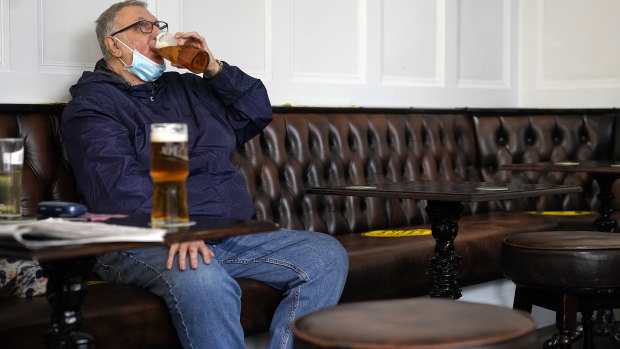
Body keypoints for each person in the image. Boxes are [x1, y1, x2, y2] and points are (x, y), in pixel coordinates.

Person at [60, 1, 349, 348]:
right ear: (113, 44)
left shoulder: (187, 89)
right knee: (204, 277)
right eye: (142, 26)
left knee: (326, 255)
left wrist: (213, 67)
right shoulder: (92, 105)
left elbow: (255, 111)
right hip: (138, 240)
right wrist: (177, 228)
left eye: (157, 26)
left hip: (223, 232)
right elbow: (116, 186)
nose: (156, 34)